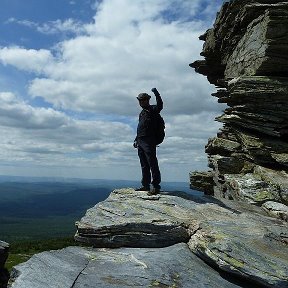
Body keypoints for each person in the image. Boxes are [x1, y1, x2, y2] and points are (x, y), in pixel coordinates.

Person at [134, 88, 163, 195]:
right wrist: (136, 139)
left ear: (148, 100)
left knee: (152, 163)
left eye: (143, 100)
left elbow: (160, 105)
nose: (141, 102)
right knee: (144, 164)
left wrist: (156, 93)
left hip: (149, 140)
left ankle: (155, 186)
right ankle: (145, 185)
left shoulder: (153, 109)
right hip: (141, 140)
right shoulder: (142, 113)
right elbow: (141, 127)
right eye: (140, 100)